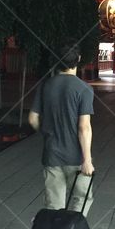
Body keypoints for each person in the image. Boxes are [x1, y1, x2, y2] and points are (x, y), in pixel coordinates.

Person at [29, 39, 95, 215]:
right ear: (79, 59)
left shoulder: (46, 85)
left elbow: (33, 118)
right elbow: (84, 127)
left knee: (53, 206)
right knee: (81, 199)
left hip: (52, 155)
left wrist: (46, 132)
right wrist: (87, 160)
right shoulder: (84, 89)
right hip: (76, 158)